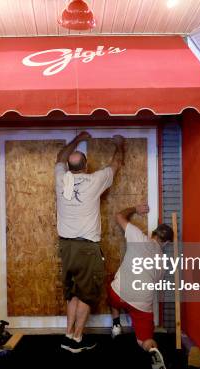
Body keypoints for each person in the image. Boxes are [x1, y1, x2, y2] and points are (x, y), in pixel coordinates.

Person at [56, 130, 125, 353]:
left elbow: (59, 157)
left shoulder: (60, 179)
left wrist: (77, 139)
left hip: (66, 247)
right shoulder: (95, 180)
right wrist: (119, 144)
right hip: (86, 247)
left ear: (69, 167)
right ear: (85, 167)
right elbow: (116, 164)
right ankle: (77, 339)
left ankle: (68, 335)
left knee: (73, 292)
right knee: (86, 294)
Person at [108, 204, 174, 369]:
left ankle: (116, 325)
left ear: (153, 233)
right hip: (141, 304)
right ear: (166, 243)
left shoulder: (137, 236)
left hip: (118, 294)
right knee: (144, 339)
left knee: (112, 286)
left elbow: (119, 214)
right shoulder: (162, 264)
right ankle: (152, 351)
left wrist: (135, 209)